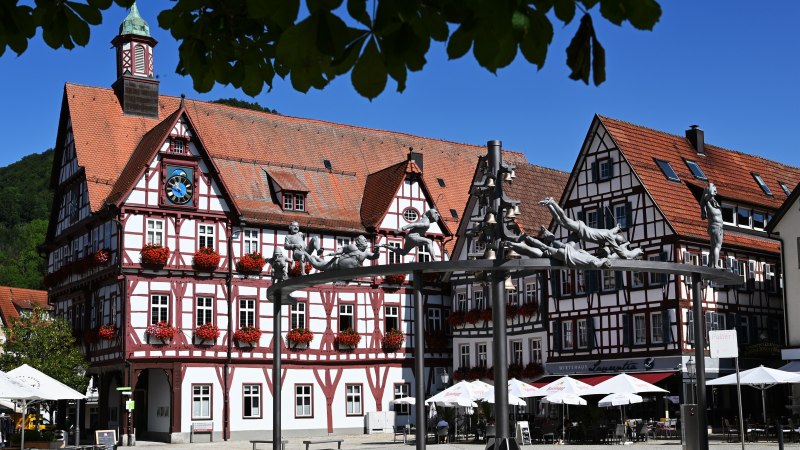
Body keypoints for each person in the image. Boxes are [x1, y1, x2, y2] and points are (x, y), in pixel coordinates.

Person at [538, 197, 643, 260]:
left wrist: (617, 228)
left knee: (559, 223)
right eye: (617, 243)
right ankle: (552, 202)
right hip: (582, 230)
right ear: (614, 240)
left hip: (580, 234)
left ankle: (549, 205)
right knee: (564, 220)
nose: (615, 245)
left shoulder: (608, 233)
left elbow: (613, 231)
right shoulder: (610, 237)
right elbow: (619, 251)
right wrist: (626, 257)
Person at [504, 229, 611, 269]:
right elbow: (596, 264)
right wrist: (605, 261)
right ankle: (527, 237)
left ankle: (545, 236)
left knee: (551, 245)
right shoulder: (595, 261)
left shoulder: (590, 256)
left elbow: (581, 251)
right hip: (566, 256)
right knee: (545, 247)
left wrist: (605, 259)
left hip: (569, 250)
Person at [304, 235, 380, 271]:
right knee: (317, 265)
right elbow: (342, 249)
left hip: (343, 270)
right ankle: (306, 254)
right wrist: (334, 253)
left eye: (366, 240)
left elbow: (375, 256)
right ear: (358, 242)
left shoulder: (366, 253)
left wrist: (377, 251)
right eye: (364, 240)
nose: (366, 241)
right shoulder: (353, 247)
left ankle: (315, 258)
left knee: (322, 263)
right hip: (334, 265)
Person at [700, 182, 723, 268]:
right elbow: (707, 195)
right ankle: (715, 265)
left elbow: (703, 200)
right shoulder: (708, 200)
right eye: (714, 189)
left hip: (714, 226)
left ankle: (712, 264)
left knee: (713, 246)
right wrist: (709, 187)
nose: (716, 192)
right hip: (716, 226)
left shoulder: (711, 201)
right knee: (717, 245)